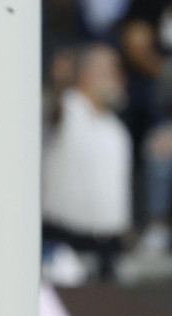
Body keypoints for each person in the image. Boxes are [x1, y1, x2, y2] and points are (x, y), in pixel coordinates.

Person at [42, 44, 134, 280]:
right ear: (85, 73)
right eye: (111, 69)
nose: (118, 77)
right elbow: (55, 110)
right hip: (64, 242)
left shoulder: (116, 128)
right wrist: (61, 83)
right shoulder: (67, 109)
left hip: (108, 246)